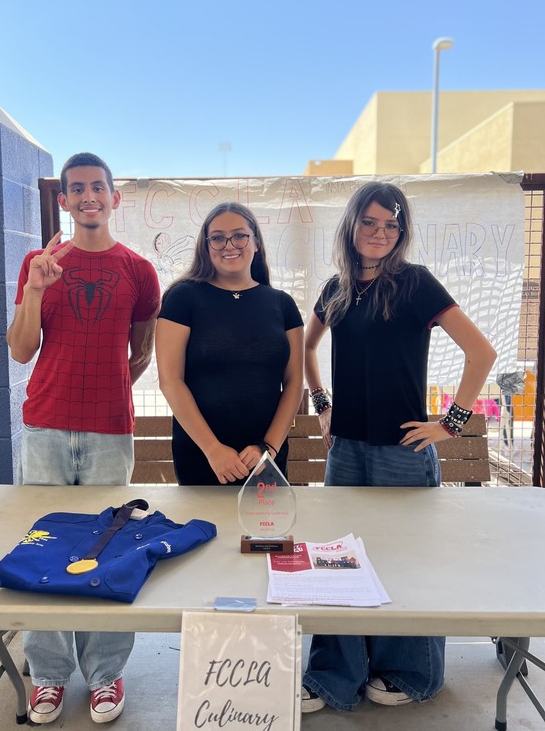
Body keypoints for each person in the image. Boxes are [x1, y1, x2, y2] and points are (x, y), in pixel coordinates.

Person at [301, 181, 497, 713]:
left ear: (402, 232)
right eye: (370, 222)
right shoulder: (336, 288)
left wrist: (450, 425)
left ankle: (410, 672)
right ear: (351, 226)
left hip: (402, 454)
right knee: (337, 562)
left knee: (406, 564)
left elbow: (481, 352)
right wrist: (322, 405)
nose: (380, 233)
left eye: (392, 224)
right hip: (346, 450)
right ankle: (332, 676)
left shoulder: (416, 283)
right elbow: (305, 346)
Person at [7, 152, 160, 724]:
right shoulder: (38, 262)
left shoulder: (139, 271)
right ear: (65, 200)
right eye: (77, 189)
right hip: (45, 423)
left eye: (99, 187)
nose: (89, 196)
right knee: (43, 545)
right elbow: (21, 349)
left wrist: (109, 384)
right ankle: (47, 675)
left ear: (114, 198)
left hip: (109, 432)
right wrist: (34, 292)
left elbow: (140, 350)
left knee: (105, 550)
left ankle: (105, 676)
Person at [155, 202, 303, 485]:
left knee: (263, 530)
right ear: (206, 244)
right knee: (205, 529)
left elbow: (294, 383)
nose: (229, 245)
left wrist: (269, 447)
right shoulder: (182, 298)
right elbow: (170, 381)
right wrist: (213, 450)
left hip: (265, 459)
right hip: (202, 455)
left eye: (239, 235)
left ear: (256, 242)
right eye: (218, 237)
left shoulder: (283, 304)